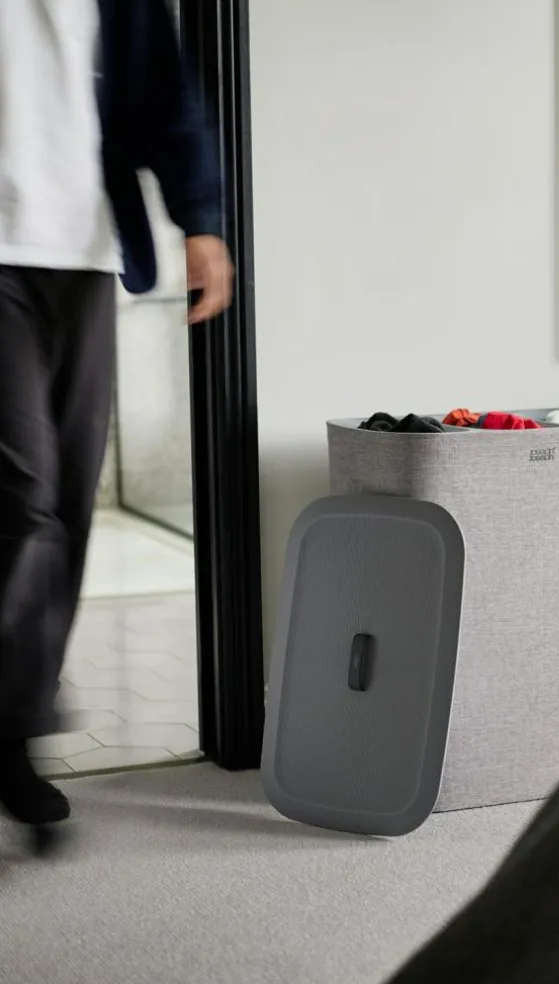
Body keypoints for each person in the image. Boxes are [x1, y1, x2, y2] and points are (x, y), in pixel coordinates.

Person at [0, 0, 232, 842]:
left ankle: (15, 722)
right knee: (21, 499)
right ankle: (11, 731)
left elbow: (166, 95)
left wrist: (201, 220)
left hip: (86, 252)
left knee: (66, 504)